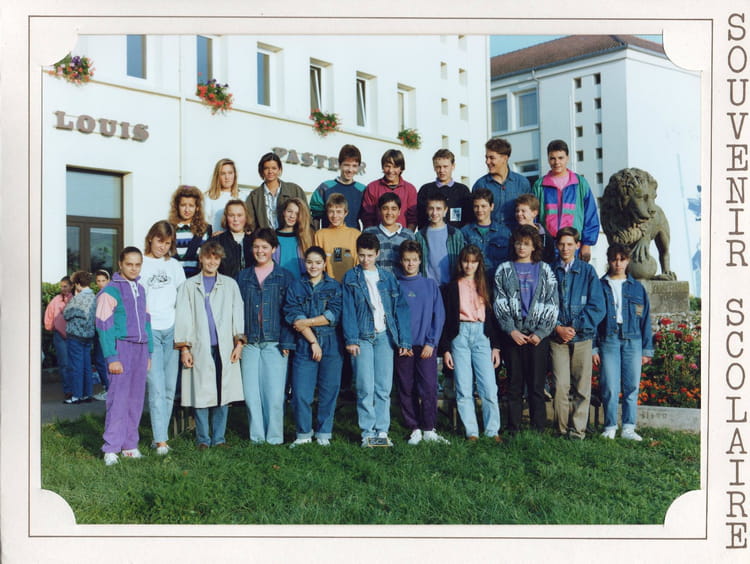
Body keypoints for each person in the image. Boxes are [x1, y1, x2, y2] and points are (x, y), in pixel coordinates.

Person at [342, 233, 411, 447]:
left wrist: (404, 341)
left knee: (383, 387)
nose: (365, 260)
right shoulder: (351, 277)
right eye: (362, 255)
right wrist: (351, 339)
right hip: (362, 337)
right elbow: (348, 310)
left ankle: (382, 431)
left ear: (377, 254)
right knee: (365, 386)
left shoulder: (388, 277)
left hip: (384, 336)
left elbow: (400, 309)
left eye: (370, 255)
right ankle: (367, 432)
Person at [174, 240, 246, 449]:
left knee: (224, 392)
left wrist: (239, 343)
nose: (212, 262)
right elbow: (183, 317)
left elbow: (237, 313)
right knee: (201, 392)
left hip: (225, 347)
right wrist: (185, 348)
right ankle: (203, 438)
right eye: (208, 257)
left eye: (216, 258)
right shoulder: (189, 286)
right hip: (199, 347)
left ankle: (219, 438)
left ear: (220, 260)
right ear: (201, 258)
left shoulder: (230, 285)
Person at [493, 225, 559, 433]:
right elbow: (499, 302)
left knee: (536, 385)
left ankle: (538, 428)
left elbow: (552, 303)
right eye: (519, 243)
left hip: (537, 337)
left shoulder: (545, 270)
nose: (522, 247)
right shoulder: (504, 270)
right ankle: (513, 428)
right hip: (513, 335)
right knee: (514, 384)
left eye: (527, 244)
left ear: (534, 247)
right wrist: (511, 330)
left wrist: (541, 333)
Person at [96, 247, 153, 466]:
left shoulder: (141, 289)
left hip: (140, 349)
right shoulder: (110, 291)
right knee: (118, 399)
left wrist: (149, 351)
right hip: (121, 348)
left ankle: (130, 445)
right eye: (129, 264)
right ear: (120, 264)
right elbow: (104, 325)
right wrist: (112, 357)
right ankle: (111, 448)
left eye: (137, 264)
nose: (133, 268)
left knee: (136, 399)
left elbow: (147, 321)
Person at [237, 228, 296, 444]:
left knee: (275, 394)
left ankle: (274, 437)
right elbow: (237, 311)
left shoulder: (284, 277)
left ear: (274, 249)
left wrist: (287, 341)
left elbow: (290, 311)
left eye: (265, 247)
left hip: (275, 342)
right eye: (256, 247)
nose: (260, 251)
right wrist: (239, 340)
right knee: (251, 394)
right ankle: (257, 437)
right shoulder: (243, 276)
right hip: (250, 342)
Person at [439, 245, 502, 442]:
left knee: (489, 387)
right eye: (466, 261)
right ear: (461, 263)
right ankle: (471, 431)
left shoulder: (485, 285)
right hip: (460, 336)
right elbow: (445, 320)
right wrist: (446, 349)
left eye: (473, 262)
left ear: (479, 264)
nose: (469, 265)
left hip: (481, 335)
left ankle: (492, 431)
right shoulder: (451, 288)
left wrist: (496, 346)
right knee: (464, 387)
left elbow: (493, 318)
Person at [284, 246, 344, 447]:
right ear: (305, 263)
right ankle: (303, 433)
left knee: (329, 390)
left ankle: (323, 432)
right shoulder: (296, 286)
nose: (313, 266)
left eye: (318, 262)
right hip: (305, 343)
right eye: (309, 262)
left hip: (331, 343)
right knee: (301, 392)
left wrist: (307, 323)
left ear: (324, 264)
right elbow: (294, 316)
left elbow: (333, 315)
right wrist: (313, 341)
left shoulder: (334, 287)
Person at [593, 243, 653, 441]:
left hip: (633, 340)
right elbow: (594, 318)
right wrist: (594, 347)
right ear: (609, 261)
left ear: (628, 261)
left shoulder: (637, 288)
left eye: (622, 259)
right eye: (614, 259)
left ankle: (628, 428)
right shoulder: (600, 285)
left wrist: (646, 349)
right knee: (610, 385)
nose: (618, 264)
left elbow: (645, 319)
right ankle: (610, 426)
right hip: (608, 339)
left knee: (631, 386)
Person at [551, 227, 606, 440]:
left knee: (582, 387)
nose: (565, 248)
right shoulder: (550, 270)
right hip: (558, 337)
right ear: (557, 246)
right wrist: (558, 327)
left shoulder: (588, 271)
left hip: (582, 337)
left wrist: (574, 326)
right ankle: (561, 429)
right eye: (561, 244)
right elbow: (545, 303)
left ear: (577, 245)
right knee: (561, 386)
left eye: (569, 244)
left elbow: (597, 306)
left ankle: (577, 431)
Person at [140, 221, 186, 455]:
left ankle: (161, 436)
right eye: (160, 241)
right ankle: (160, 441)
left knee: (169, 389)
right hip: (151, 331)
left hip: (172, 331)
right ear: (151, 238)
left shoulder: (174, 266)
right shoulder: (141, 264)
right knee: (156, 387)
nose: (163, 247)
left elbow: (183, 298)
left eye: (168, 243)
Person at [396, 240, 448, 445]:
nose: (410, 264)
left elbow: (439, 315)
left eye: (414, 260)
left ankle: (428, 427)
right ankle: (414, 427)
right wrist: (401, 342)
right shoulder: (396, 285)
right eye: (406, 260)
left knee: (428, 386)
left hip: (426, 346)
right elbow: (391, 317)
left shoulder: (430, 285)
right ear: (401, 261)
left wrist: (431, 342)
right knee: (406, 386)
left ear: (420, 261)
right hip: (404, 347)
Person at [532, 139, 600, 262]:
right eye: (552, 158)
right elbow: (533, 217)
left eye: (560, 158)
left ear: (567, 158)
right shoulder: (539, 185)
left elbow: (590, 215)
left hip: (573, 245)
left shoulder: (580, 183)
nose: (556, 162)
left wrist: (587, 244)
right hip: (547, 245)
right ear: (548, 159)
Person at [472, 137, 531, 229]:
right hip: (490, 237)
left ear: (504, 158)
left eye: (492, 158)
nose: (487, 162)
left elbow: (530, 214)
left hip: (516, 236)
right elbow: (473, 218)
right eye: (486, 158)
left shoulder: (522, 183)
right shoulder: (480, 185)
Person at [309, 144, 366, 229]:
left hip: (354, 236)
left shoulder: (363, 190)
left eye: (354, 166)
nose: (350, 170)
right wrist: (316, 235)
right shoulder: (325, 188)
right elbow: (315, 216)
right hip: (328, 236)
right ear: (339, 164)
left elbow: (368, 218)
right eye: (346, 165)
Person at [245, 152, 307, 230]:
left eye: (274, 168)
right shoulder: (254, 196)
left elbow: (306, 218)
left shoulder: (295, 190)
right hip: (265, 237)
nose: (270, 171)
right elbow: (250, 223)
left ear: (279, 170)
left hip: (291, 236)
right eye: (266, 168)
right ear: (261, 171)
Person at [461, 188, 512, 282]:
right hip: (473, 282)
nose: (479, 210)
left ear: (491, 207)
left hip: (497, 282)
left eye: (483, 206)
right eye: (476, 206)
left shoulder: (505, 232)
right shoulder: (465, 232)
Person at [62, 271, 97, 404]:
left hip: (75, 335)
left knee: (76, 366)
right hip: (88, 335)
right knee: (87, 365)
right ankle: (87, 394)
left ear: (77, 283)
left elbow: (66, 314)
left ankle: (76, 395)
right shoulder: (94, 296)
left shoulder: (77, 299)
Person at [360, 149, 418, 230]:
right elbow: (367, 217)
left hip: (402, 236)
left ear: (401, 168)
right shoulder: (372, 187)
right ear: (382, 166)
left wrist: (407, 235)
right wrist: (372, 235)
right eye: (387, 166)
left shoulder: (410, 189)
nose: (391, 171)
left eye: (395, 167)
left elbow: (413, 218)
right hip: (377, 236)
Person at [415, 193, 465, 286]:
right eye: (431, 208)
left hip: (450, 286)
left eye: (438, 209)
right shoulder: (419, 236)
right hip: (428, 285)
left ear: (445, 210)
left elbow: (462, 262)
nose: (434, 213)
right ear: (427, 210)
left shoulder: (455, 234)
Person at [417, 148, 473, 230]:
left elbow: (468, 219)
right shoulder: (425, 190)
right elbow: (421, 220)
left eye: (445, 167)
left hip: (457, 236)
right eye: (438, 167)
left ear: (453, 166)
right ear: (434, 167)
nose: (442, 170)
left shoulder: (463, 191)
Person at [362, 192, 415, 275]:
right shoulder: (369, 233)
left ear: (399, 211)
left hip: (399, 282)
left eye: (394, 209)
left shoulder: (408, 235)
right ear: (379, 211)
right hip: (374, 281)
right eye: (385, 208)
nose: (389, 212)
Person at [314, 193, 361, 282]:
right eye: (331, 211)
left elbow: (358, 264)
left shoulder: (356, 235)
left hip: (350, 284)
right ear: (327, 212)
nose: (335, 216)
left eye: (339, 212)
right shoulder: (320, 235)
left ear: (346, 213)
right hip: (327, 285)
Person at [168, 185, 212, 278]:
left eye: (191, 206)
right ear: (177, 206)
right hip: (173, 282)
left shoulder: (206, 230)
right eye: (183, 205)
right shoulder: (169, 229)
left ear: (197, 207)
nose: (187, 210)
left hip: (196, 283)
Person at [44, 276, 73, 399]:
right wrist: (51, 326)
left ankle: (77, 388)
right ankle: (68, 390)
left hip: (73, 336)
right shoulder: (56, 300)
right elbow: (49, 314)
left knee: (74, 363)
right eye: (61, 286)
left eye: (65, 286)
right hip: (59, 336)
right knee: (64, 364)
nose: (63, 289)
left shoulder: (74, 299)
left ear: (71, 286)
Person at [213, 199, 254, 279]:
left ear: (246, 217)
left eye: (239, 215)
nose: (235, 219)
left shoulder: (254, 240)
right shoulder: (217, 241)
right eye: (231, 215)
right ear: (226, 217)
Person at [274, 197, 313, 279]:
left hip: (299, 284)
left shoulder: (305, 237)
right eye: (289, 211)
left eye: (297, 213)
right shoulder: (272, 236)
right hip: (277, 283)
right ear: (284, 212)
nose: (292, 216)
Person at [515, 193, 556, 264]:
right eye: (517, 211)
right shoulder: (515, 234)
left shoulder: (545, 236)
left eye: (523, 211)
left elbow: (550, 259)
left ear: (534, 213)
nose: (519, 214)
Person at [204, 158, 241, 233]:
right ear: (217, 176)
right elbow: (203, 224)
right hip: (216, 239)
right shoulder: (208, 197)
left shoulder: (243, 196)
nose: (227, 177)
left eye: (230, 173)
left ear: (235, 175)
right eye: (223, 173)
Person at [91, 270, 111, 401]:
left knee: (101, 361)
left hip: (104, 331)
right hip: (101, 331)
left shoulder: (107, 294)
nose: (101, 283)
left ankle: (109, 389)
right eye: (98, 281)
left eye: (103, 280)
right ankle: (108, 388)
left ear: (108, 280)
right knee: (102, 361)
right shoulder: (101, 293)